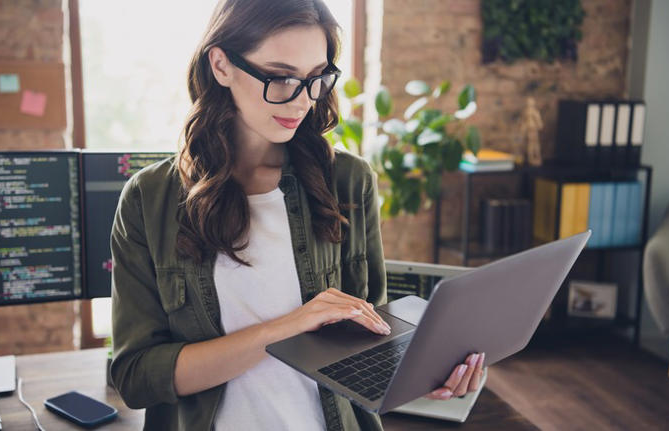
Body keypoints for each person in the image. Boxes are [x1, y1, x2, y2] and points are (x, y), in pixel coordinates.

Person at [109, 1, 485, 430]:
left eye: (316, 79)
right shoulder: (149, 198)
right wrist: (286, 329)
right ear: (221, 65)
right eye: (281, 77)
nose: (303, 100)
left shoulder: (348, 181)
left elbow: (375, 340)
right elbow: (136, 377)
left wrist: (426, 376)